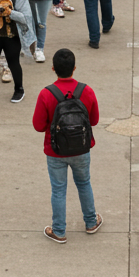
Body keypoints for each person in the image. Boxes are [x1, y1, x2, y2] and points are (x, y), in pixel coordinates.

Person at [33, 49, 103, 242]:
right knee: (84, 183)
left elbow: (38, 126)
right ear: (74, 68)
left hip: (55, 151)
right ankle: (91, 222)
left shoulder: (46, 94)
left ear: (53, 68)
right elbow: (94, 120)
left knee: (58, 190)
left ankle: (59, 231)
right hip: (81, 148)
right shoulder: (86, 91)